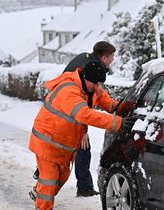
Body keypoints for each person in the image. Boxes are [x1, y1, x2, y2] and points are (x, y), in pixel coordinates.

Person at [29, 61, 136, 210]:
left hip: (63, 145)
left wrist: (123, 108)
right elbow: (84, 115)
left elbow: (108, 102)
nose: (97, 87)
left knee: (61, 178)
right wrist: (117, 122)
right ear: (86, 78)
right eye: (95, 83)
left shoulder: (91, 87)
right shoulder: (69, 90)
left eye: (99, 84)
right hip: (47, 140)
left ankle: (38, 191)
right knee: (49, 182)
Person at [33, 41, 118, 197]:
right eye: (112, 56)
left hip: (66, 124)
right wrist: (83, 131)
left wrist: (118, 106)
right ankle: (83, 187)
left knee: (57, 166)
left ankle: (43, 180)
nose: (113, 60)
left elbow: (99, 97)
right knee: (79, 151)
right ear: (104, 57)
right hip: (60, 124)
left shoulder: (90, 67)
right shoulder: (86, 72)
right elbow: (79, 107)